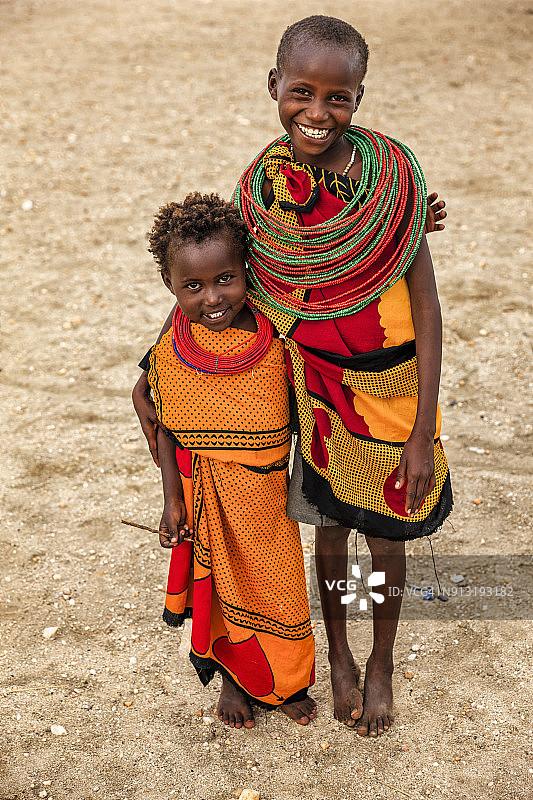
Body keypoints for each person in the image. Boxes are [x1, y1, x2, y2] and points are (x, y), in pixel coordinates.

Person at [133, 15, 452, 738]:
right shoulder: (263, 194)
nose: (317, 112)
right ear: (273, 86)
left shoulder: (391, 189)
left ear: (359, 98)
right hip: (313, 391)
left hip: (394, 394)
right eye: (300, 92)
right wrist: (158, 360)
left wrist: (422, 434)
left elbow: (427, 312)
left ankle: (379, 663)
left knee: (386, 540)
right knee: (330, 532)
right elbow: (222, 280)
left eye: (338, 98)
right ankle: (337, 652)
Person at [139, 192, 315, 729]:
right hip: (203, 492)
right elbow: (157, 409)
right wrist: (172, 499)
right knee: (218, 590)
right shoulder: (175, 346)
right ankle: (236, 683)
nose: (212, 297)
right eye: (192, 286)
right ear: (171, 286)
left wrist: (407, 223)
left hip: (266, 498)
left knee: (279, 585)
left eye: (225, 279)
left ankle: (284, 683)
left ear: (247, 272)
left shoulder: (274, 331)